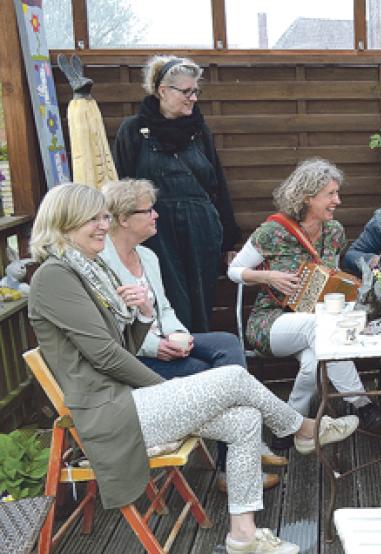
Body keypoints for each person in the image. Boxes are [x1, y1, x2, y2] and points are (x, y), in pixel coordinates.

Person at [27, 183, 359, 554]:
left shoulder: (89, 270)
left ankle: (243, 536)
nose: (103, 225)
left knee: (245, 417)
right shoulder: (56, 276)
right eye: (93, 219)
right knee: (233, 377)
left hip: (129, 402)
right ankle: (301, 429)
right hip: (109, 413)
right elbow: (106, 357)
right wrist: (162, 389)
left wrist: (144, 315)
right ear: (64, 222)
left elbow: (124, 346)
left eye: (104, 217)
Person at [99, 178, 286, 492]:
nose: (157, 215)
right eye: (149, 210)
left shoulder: (147, 257)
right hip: (136, 358)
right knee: (210, 374)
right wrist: (153, 345)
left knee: (227, 343)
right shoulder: (102, 265)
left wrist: (176, 335)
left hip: (164, 342)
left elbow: (166, 308)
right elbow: (114, 329)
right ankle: (241, 460)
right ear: (123, 219)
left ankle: (241, 456)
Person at [228, 159, 381, 435]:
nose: (337, 201)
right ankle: (362, 404)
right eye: (330, 194)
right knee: (323, 330)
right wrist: (268, 277)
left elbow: (333, 272)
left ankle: (288, 425)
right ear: (307, 197)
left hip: (317, 322)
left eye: (337, 194)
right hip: (272, 321)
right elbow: (234, 270)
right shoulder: (273, 232)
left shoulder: (334, 231)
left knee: (315, 362)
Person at [113, 55, 240, 333]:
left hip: (201, 229)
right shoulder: (134, 130)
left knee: (202, 300)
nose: (193, 98)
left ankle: (202, 362)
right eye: (186, 91)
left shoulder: (199, 131)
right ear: (162, 91)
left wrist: (229, 239)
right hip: (158, 231)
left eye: (196, 91)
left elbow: (217, 183)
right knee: (170, 299)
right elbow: (122, 188)